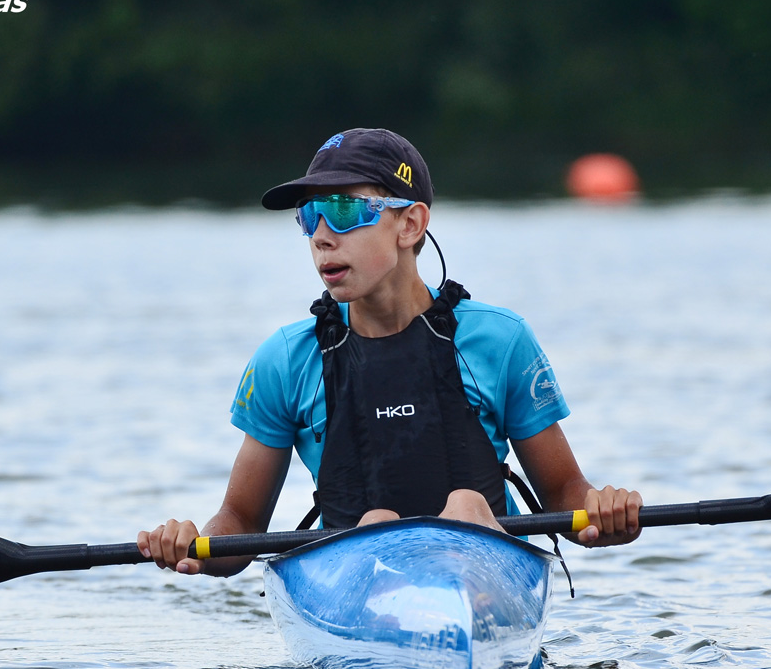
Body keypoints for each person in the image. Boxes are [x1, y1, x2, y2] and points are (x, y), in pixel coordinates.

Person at [139, 128, 642, 575]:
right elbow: (242, 522)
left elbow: (563, 496)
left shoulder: (501, 340)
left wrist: (604, 510)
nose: (321, 237)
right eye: (309, 215)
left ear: (410, 224)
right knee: (376, 522)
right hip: (354, 571)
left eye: (342, 210)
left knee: (466, 505)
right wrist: (194, 544)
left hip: (484, 568)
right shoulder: (286, 359)